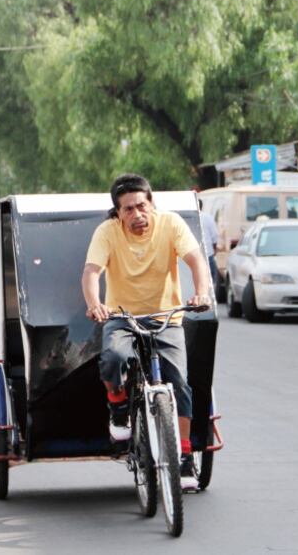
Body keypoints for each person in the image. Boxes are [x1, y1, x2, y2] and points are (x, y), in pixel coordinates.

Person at [82, 173, 212, 490]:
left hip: (166, 316)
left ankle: (182, 458)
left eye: (141, 205)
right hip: (122, 316)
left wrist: (202, 293)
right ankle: (118, 407)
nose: (137, 215)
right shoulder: (107, 232)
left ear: (151, 202)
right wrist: (95, 303)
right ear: (117, 212)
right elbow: (91, 272)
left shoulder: (170, 223)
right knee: (113, 358)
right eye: (128, 209)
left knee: (180, 382)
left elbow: (196, 260)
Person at [198, 199, 219, 286]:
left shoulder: (185, 217)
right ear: (201, 206)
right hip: (208, 254)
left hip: (191, 254)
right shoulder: (208, 217)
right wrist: (214, 249)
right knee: (211, 279)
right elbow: (214, 236)